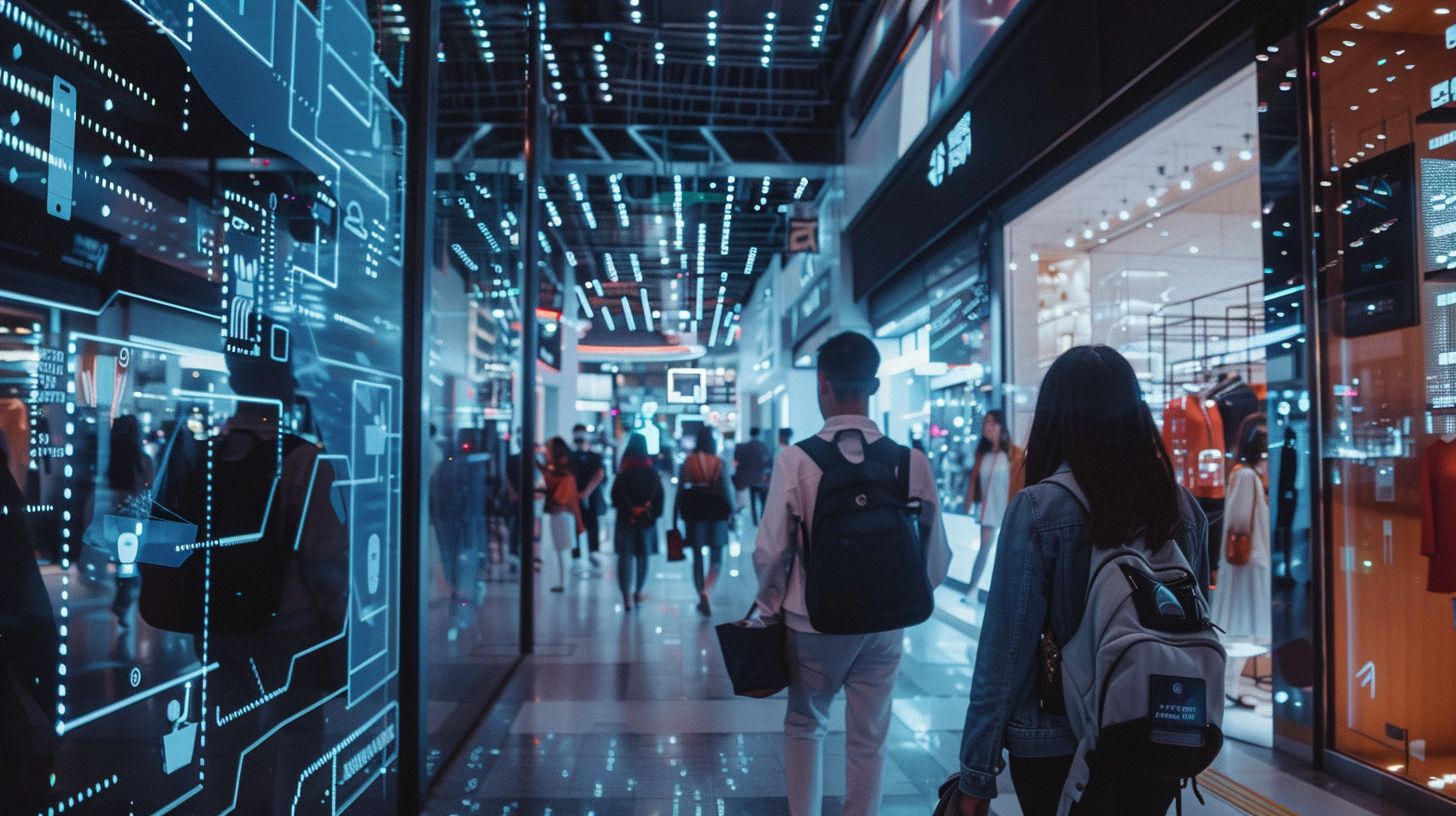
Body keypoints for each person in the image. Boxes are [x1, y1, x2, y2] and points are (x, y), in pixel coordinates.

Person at [955, 345, 1209, 816]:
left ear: (1056, 418)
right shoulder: (1180, 508)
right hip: (1153, 730)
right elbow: (1191, 630)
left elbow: (1004, 656)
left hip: (1055, 744)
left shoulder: (1038, 509)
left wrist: (976, 772)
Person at [751, 331, 951, 816]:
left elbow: (771, 551)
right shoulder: (910, 462)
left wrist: (768, 607)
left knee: (805, 725)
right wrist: (901, 593)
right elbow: (938, 558)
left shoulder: (797, 460)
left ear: (822, 384)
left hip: (813, 620)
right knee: (870, 737)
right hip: (886, 624)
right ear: (875, 385)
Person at [1212, 415, 1271, 706]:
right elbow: (1238, 520)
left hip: (1247, 561)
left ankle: (1229, 686)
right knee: (1242, 626)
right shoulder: (1247, 476)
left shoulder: (1245, 473)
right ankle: (1227, 685)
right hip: (1248, 563)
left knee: (1243, 627)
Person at [961, 410, 1024, 607]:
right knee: (985, 548)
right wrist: (970, 502)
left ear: (1001, 426)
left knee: (1008, 551)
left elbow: (1019, 481)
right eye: (986, 422)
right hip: (988, 508)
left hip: (1008, 507)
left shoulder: (1014, 454)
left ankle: (1008, 595)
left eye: (992, 422)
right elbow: (974, 481)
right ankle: (972, 590)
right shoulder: (982, 454)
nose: (987, 426)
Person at [676, 425, 735, 616]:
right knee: (716, 557)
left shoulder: (688, 462)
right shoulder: (718, 462)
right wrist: (733, 513)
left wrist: (674, 515)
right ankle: (707, 591)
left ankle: (699, 592)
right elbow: (726, 489)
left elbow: (681, 491)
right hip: (716, 512)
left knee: (697, 556)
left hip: (694, 512)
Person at [611, 432, 664, 610]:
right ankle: (638, 591)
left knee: (624, 558)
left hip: (626, 520)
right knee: (643, 556)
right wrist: (651, 513)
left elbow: (614, 497)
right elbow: (660, 499)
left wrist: (630, 509)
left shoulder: (623, 472)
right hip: (646, 522)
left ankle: (625, 596)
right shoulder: (651, 472)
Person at [538, 437, 583, 593]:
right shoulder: (560, 470)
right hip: (563, 513)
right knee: (562, 548)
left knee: (562, 549)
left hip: (561, 513)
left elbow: (559, 494)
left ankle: (564, 582)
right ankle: (564, 581)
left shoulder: (562, 474)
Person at [569, 424, 607, 567]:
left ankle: (593, 551)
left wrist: (586, 492)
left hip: (592, 497)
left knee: (592, 524)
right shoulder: (571, 457)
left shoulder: (595, 456)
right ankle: (576, 551)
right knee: (576, 524)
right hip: (575, 497)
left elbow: (600, 475)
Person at [733, 426, 771, 525]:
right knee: (763, 500)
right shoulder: (763, 446)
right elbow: (766, 463)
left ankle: (754, 520)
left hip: (746, 478)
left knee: (752, 499)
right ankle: (762, 518)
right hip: (760, 479)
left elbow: (737, 462)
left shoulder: (742, 447)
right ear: (759, 433)